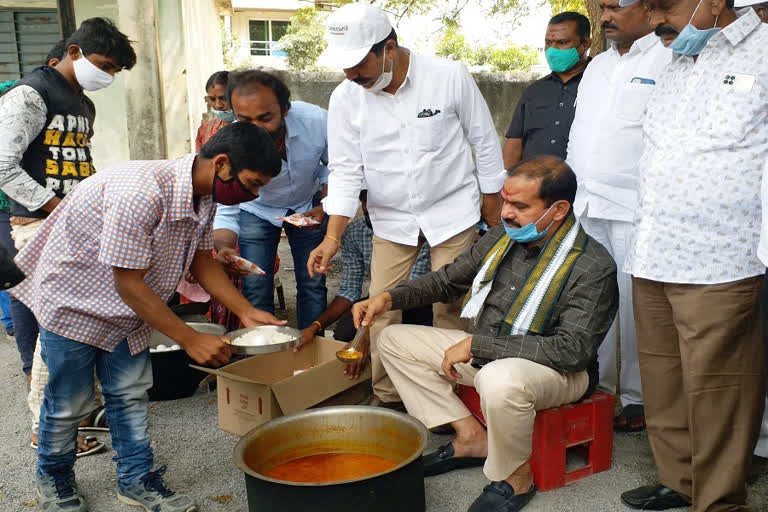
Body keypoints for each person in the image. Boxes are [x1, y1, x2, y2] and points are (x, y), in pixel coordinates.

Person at [11, 123, 285, 512]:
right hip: (75, 301)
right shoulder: (141, 192)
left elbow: (201, 259)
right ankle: (54, 477)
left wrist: (245, 310)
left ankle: (136, 479)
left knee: (130, 395)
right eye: (252, 183)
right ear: (221, 163)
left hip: (130, 307)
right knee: (69, 402)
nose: (253, 195)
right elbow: (129, 284)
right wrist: (191, 338)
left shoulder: (202, 195)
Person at [352, 156, 617, 512]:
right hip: (492, 354)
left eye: (519, 206)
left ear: (558, 210)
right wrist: (387, 298)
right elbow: (448, 280)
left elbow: (572, 351)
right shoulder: (501, 237)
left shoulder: (593, 265)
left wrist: (479, 344)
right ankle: (472, 438)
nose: (505, 213)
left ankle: (516, 477)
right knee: (393, 340)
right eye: (505, 201)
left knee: (498, 378)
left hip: (560, 373)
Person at [309, 2, 506, 408]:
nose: (351, 74)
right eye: (344, 66)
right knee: (379, 309)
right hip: (391, 219)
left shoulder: (448, 76)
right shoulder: (346, 97)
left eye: (359, 63)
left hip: (452, 211)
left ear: (390, 49)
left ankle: (454, 396)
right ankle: (389, 397)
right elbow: (346, 171)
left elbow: (484, 143)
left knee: (452, 307)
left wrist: (492, 207)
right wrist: (332, 237)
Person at [619, 1, 768, 510]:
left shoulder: (765, 53)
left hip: (721, 258)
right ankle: (678, 482)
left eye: (665, 3)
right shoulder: (676, 60)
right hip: (655, 250)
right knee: (663, 384)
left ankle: (719, 500)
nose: (654, 14)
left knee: (719, 391)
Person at [0, 19, 135, 459]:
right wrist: (57, 209)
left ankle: (79, 411)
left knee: (87, 319)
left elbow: (77, 165)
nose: (109, 75)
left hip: (76, 226)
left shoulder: (83, 104)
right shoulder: (31, 94)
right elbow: (3, 166)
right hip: (41, 227)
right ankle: (47, 428)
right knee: (55, 329)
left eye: (115, 69)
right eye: (105, 64)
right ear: (74, 52)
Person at [565, 0, 671, 433]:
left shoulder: (669, 57)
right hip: (587, 203)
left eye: (615, 8)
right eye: (603, 7)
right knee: (594, 300)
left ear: (647, 9)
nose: (605, 16)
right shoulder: (597, 67)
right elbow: (581, 131)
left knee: (635, 307)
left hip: (635, 207)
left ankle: (638, 399)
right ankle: (602, 388)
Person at [214, 70, 329, 330]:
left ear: (285, 109)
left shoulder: (317, 121)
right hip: (256, 211)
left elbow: (336, 165)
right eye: (244, 119)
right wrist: (224, 246)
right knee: (255, 284)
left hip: (306, 207)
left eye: (265, 118)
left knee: (312, 280)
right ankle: (265, 353)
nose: (255, 128)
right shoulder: (230, 143)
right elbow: (225, 203)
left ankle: (313, 349)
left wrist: (326, 205)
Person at [297, 189, 433, 379]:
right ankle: (369, 376)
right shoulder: (355, 231)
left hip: (417, 299)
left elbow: (406, 290)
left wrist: (364, 337)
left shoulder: (419, 232)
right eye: (364, 201)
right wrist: (315, 326)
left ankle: (401, 380)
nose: (368, 207)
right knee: (343, 335)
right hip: (377, 297)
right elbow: (349, 290)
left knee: (401, 337)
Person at [0, 38, 67, 367]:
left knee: (25, 281)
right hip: (16, 206)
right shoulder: (23, 93)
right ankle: (32, 366)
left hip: (26, 203)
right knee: (20, 282)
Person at [502, 12, 591, 170]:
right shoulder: (534, 91)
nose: (552, 50)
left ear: (585, 44)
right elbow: (515, 142)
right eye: (548, 43)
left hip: (582, 188)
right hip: (532, 187)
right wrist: (507, 184)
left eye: (562, 42)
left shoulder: (601, 84)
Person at [195, 70, 232, 152]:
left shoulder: (250, 129)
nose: (218, 105)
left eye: (223, 98)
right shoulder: (204, 130)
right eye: (212, 99)